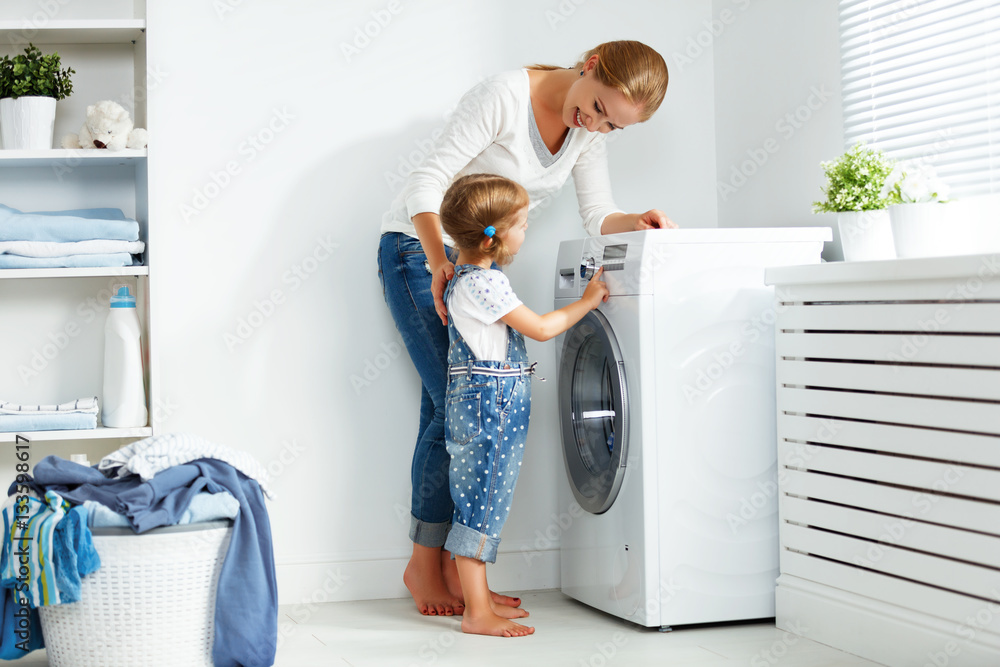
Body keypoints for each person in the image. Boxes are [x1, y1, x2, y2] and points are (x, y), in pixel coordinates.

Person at [376, 40, 675, 617]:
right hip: (420, 251)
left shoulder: (588, 132)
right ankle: (429, 565)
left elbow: (597, 215)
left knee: (447, 409)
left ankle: (441, 565)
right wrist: (442, 263)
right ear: (589, 65)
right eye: (597, 107)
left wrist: (633, 221)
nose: (595, 124)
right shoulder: (503, 97)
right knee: (456, 409)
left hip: (473, 269)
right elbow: (425, 182)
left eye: (613, 125)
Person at [439, 173, 609, 636]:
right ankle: (477, 613)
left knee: (483, 499)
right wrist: (588, 302)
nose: (527, 229)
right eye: (523, 223)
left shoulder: (470, 278)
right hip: (489, 406)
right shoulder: (485, 285)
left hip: (484, 401)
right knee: (482, 503)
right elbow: (540, 328)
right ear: (494, 236)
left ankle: (479, 597)